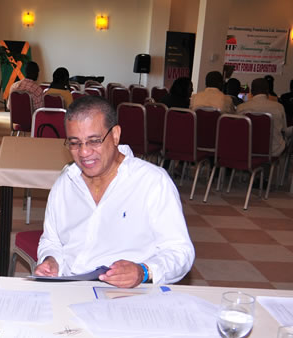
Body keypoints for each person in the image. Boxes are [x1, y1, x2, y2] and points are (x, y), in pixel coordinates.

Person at [34, 96, 194, 287]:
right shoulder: (65, 183)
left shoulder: (152, 182)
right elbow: (51, 240)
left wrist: (143, 271)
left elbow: (180, 252)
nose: (84, 152)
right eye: (75, 143)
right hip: (70, 288)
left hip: (128, 296)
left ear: (116, 135)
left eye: (94, 141)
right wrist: (51, 260)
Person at [237, 77, 288, 156]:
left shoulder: (241, 108)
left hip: (247, 149)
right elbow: (284, 130)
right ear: (267, 91)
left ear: (252, 92)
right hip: (273, 151)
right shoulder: (279, 107)